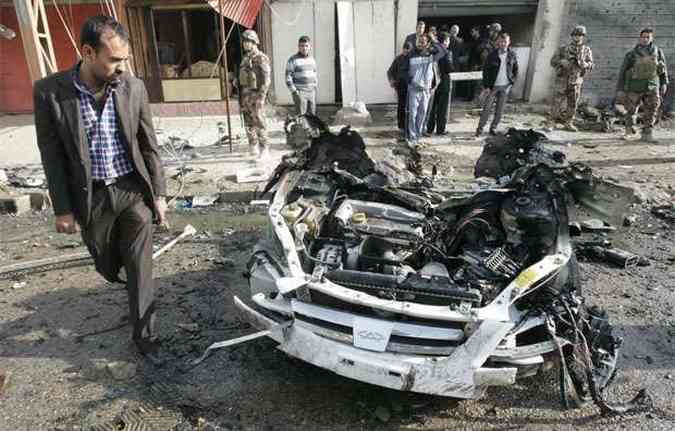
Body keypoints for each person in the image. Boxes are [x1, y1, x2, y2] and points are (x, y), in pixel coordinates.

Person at [32, 16, 167, 360]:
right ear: (88, 52)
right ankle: (119, 274)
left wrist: (160, 195)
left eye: (125, 59)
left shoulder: (132, 88)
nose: (123, 67)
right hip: (91, 197)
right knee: (107, 264)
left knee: (140, 264)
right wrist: (62, 209)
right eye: (115, 60)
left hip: (132, 189)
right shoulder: (49, 92)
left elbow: (148, 145)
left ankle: (146, 337)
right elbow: (52, 157)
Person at [616, 28, 669, 142]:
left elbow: (663, 69)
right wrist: (620, 89)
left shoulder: (658, 52)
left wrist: (664, 83)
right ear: (639, 38)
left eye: (647, 37)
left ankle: (647, 133)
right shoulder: (631, 54)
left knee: (652, 108)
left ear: (651, 38)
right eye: (643, 37)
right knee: (631, 109)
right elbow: (623, 72)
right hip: (635, 85)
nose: (645, 39)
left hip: (652, 85)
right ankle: (629, 131)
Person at [406, 33, 448, 148]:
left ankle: (418, 137)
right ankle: (411, 137)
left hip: (426, 90)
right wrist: (411, 80)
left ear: (427, 43)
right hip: (414, 89)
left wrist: (434, 41)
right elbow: (404, 70)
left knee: (422, 114)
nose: (420, 43)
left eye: (423, 41)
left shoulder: (431, 55)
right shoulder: (411, 54)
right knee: (412, 114)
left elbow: (444, 52)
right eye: (419, 41)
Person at [550, 25, 594, 131]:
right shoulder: (563, 48)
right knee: (557, 102)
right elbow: (553, 61)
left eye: (580, 35)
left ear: (583, 37)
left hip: (576, 80)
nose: (577, 37)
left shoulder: (586, 50)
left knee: (573, 103)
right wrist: (561, 62)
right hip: (562, 79)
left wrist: (586, 64)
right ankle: (551, 122)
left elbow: (591, 64)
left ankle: (568, 123)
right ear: (572, 36)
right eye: (576, 35)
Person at [476, 32, 519, 137]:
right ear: (498, 42)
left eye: (505, 42)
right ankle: (480, 129)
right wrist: (486, 86)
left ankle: (493, 128)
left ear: (508, 43)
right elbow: (485, 71)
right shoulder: (492, 55)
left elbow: (516, 69)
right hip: (492, 87)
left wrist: (512, 81)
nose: (503, 43)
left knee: (499, 110)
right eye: (501, 41)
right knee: (487, 109)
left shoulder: (512, 54)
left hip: (505, 86)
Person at [238, 29, 272, 158]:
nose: (245, 44)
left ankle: (264, 149)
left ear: (254, 42)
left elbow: (266, 80)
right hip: (245, 96)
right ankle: (253, 147)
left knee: (259, 122)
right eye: (244, 42)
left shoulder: (261, 58)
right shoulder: (246, 58)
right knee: (248, 122)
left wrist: (261, 97)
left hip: (256, 96)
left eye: (248, 41)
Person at [426, 33, 453, 136]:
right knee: (443, 107)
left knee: (432, 107)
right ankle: (440, 130)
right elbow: (450, 68)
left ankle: (429, 129)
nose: (448, 42)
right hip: (444, 82)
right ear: (445, 41)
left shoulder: (432, 52)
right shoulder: (447, 53)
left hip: (432, 82)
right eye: (448, 40)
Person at [286, 35, 318, 115]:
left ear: (309, 46)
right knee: (301, 116)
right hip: (300, 92)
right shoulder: (292, 59)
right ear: (298, 47)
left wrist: (315, 86)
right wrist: (294, 92)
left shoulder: (312, 59)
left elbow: (314, 73)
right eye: (302, 46)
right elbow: (288, 77)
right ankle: (301, 128)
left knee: (311, 116)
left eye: (306, 46)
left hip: (311, 92)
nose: (304, 48)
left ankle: (310, 128)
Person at [387, 42, 412, 134]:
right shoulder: (398, 59)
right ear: (402, 49)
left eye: (408, 49)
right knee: (401, 106)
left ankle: (410, 126)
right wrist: (392, 81)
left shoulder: (413, 59)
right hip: (401, 85)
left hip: (411, 86)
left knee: (410, 106)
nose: (406, 51)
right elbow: (390, 71)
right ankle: (401, 126)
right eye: (404, 49)